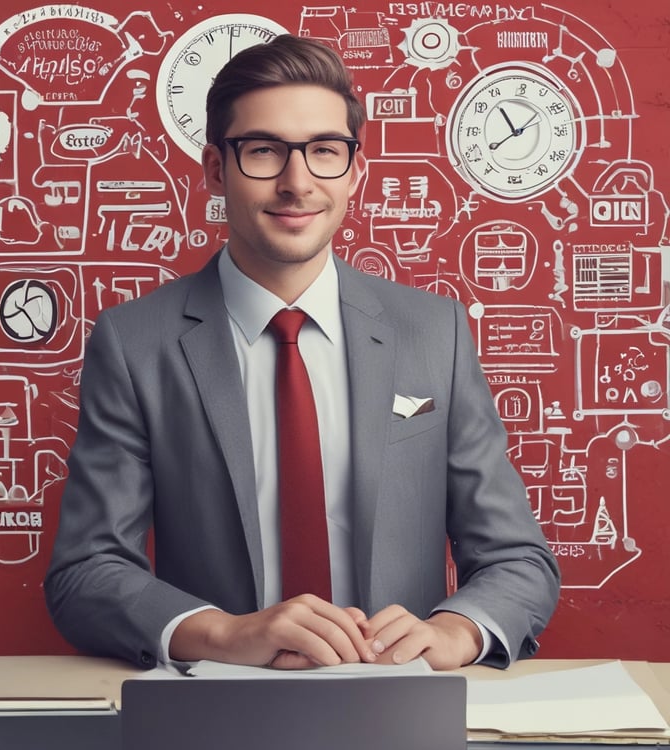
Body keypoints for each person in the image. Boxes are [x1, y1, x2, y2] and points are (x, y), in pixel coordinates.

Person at [44, 34, 560, 671]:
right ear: (214, 168)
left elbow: (516, 558)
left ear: (355, 172)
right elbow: (86, 571)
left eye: (324, 151)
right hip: (222, 705)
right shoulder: (134, 342)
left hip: (401, 705)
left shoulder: (436, 332)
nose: (297, 182)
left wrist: (456, 631)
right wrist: (223, 635)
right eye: (263, 151)